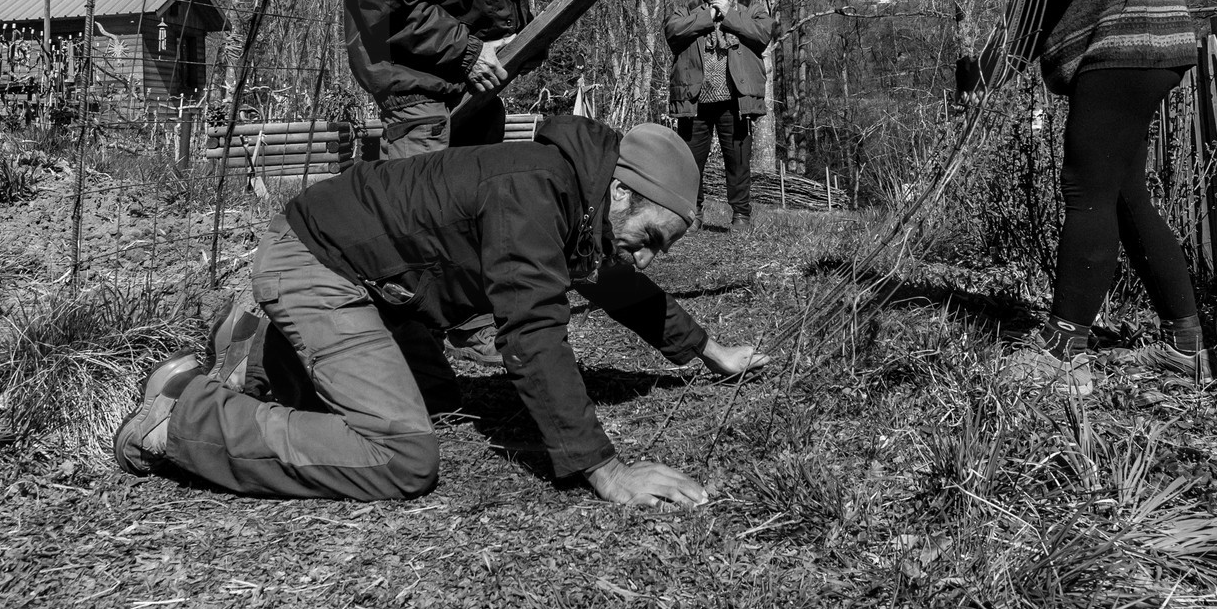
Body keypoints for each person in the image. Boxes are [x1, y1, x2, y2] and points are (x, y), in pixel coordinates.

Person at [113, 117, 769, 506]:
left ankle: (254, 345)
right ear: (621, 193)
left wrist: (708, 352)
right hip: (321, 265)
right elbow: (533, 338)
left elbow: (619, 285)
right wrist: (607, 471)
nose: (646, 259)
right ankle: (177, 419)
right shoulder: (533, 196)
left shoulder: (575, 192)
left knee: (432, 392)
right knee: (399, 455)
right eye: (650, 239)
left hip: (365, 276)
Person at [964, 0, 1208, 395]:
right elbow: (1033, 6)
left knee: (1083, 184)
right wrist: (987, 71)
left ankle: (1064, 347)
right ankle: (1188, 345)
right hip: (1128, 51)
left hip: (1127, 41)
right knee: (1123, 196)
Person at [340, 0, 564, 363]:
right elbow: (388, 7)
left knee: (479, 201)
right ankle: (405, 351)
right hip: (415, 76)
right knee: (415, 213)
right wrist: (467, 52)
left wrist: (519, 42)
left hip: (474, 77)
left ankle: (464, 327)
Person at [664, 0, 774, 231]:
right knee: (690, 162)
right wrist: (708, 13)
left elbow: (762, 35)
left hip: (736, 100)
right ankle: (692, 214)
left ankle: (741, 216)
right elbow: (673, 32)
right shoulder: (688, 9)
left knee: (737, 161)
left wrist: (728, 14)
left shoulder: (751, 7)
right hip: (695, 100)